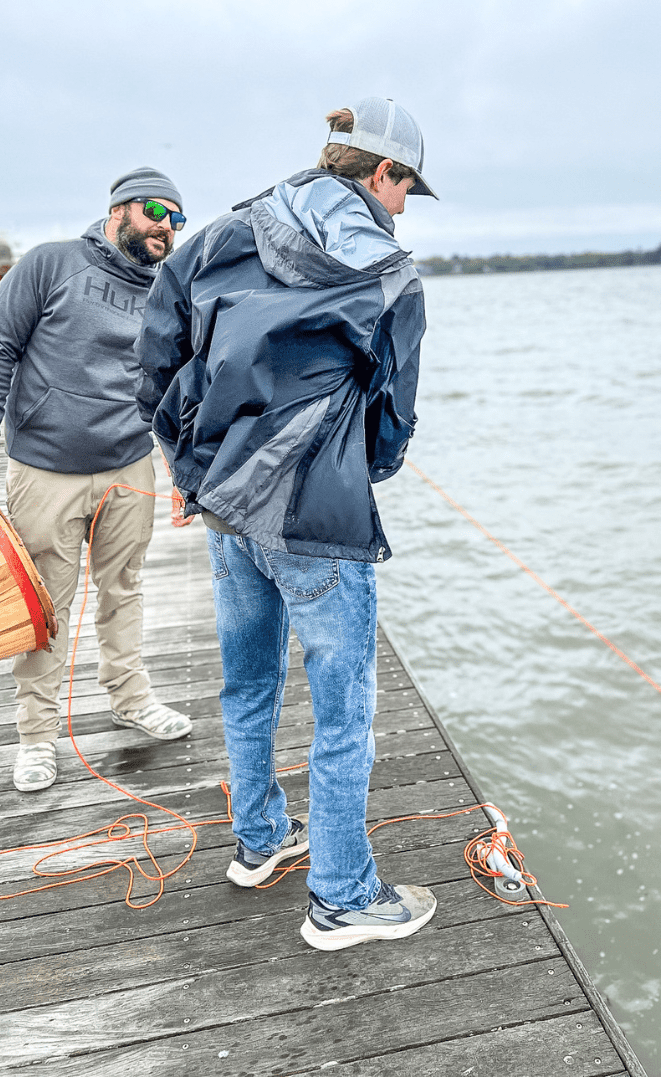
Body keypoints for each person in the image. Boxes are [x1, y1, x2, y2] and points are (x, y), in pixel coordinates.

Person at [135, 98, 437, 950]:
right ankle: (341, 897)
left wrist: (187, 468)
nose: (404, 207)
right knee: (344, 716)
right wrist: (356, 469)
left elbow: (158, 348)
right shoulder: (389, 274)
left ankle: (260, 842)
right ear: (382, 173)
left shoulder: (227, 232)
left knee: (249, 683)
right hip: (315, 522)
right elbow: (390, 425)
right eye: (406, 185)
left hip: (228, 509)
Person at [0, 167, 194, 794]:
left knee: (126, 589)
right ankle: (35, 736)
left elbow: (177, 385)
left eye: (179, 220)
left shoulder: (170, 288)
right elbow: (3, 347)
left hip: (130, 465)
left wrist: (185, 469)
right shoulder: (52, 264)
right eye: (158, 213)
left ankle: (129, 698)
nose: (168, 229)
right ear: (120, 209)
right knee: (46, 605)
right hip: (44, 468)